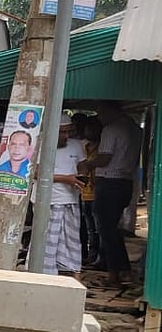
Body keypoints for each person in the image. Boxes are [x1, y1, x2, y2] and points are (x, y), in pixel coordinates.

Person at [79, 102, 143, 288]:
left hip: (109, 182)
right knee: (112, 229)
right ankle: (124, 271)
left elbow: (105, 158)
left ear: (110, 111)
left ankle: (115, 273)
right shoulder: (135, 129)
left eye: (101, 113)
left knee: (106, 230)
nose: (99, 118)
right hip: (126, 182)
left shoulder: (111, 129)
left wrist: (87, 164)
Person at [31, 115, 85, 278]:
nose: (66, 136)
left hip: (70, 199)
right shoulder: (40, 144)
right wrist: (65, 179)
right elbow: (35, 173)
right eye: (62, 132)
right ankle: (43, 275)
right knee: (46, 239)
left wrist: (82, 174)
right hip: (47, 201)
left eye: (68, 132)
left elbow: (82, 164)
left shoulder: (76, 145)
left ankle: (74, 275)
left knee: (72, 240)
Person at [73, 113, 102, 265]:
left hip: (97, 193)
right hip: (84, 193)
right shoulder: (83, 147)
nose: (88, 131)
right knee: (88, 227)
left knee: (98, 228)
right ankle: (89, 255)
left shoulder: (102, 148)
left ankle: (97, 256)